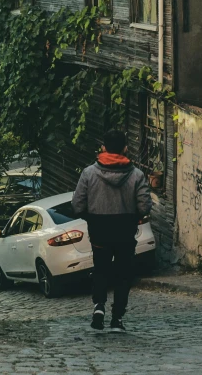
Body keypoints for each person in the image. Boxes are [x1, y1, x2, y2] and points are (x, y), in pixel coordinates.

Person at [72, 128, 152, 333]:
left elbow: (77, 205)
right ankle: (117, 318)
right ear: (125, 149)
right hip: (125, 231)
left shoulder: (89, 173)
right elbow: (144, 207)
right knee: (124, 274)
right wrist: (133, 216)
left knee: (100, 269)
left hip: (100, 230)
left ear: (103, 148)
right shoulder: (137, 175)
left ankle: (99, 306)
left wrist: (91, 217)